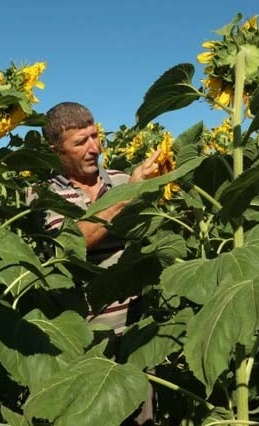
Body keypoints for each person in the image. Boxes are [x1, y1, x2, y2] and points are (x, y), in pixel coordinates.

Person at [30, 102, 160, 424]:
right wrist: (126, 198)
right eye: (81, 142)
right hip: (82, 343)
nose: (94, 148)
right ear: (56, 150)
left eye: (95, 136)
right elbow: (72, 243)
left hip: (135, 337)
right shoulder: (41, 195)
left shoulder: (119, 179)